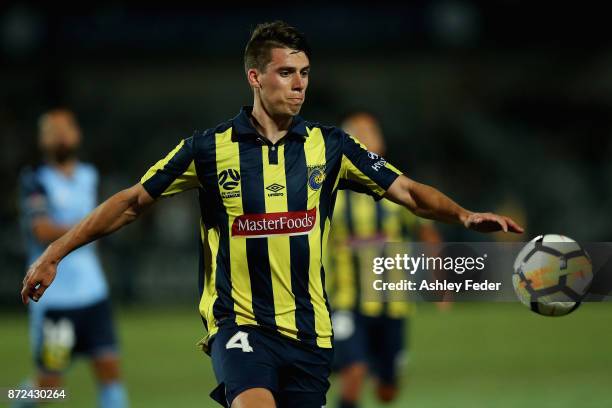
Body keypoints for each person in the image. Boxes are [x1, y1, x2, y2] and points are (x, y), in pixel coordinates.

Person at [20, 21, 523, 408]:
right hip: (240, 325)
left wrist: (462, 216)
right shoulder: (207, 149)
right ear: (255, 77)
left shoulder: (332, 147)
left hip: (310, 332)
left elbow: (409, 193)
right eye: (286, 73)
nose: (299, 84)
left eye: (304, 74)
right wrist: (54, 252)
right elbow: (131, 202)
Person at [327, 111, 441, 408]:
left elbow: (428, 234)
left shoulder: (399, 192)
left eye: (371, 133)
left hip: (393, 303)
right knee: (354, 371)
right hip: (346, 302)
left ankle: (385, 374)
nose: (365, 139)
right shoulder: (328, 193)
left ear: (382, 143)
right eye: (357, 134)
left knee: (386, 392)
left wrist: (438, 280)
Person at [17, 109, 127, 408]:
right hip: (56, 302)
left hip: (93, 296)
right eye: (52, 130)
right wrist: (88, 227)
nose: (60, 135)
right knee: (50, 387)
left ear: (76, 134)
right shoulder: (35, 180)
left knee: (110, 376)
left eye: (65, 128)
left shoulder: (90, 176)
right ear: (43, 140)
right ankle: (15, 401)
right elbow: (41, 230)